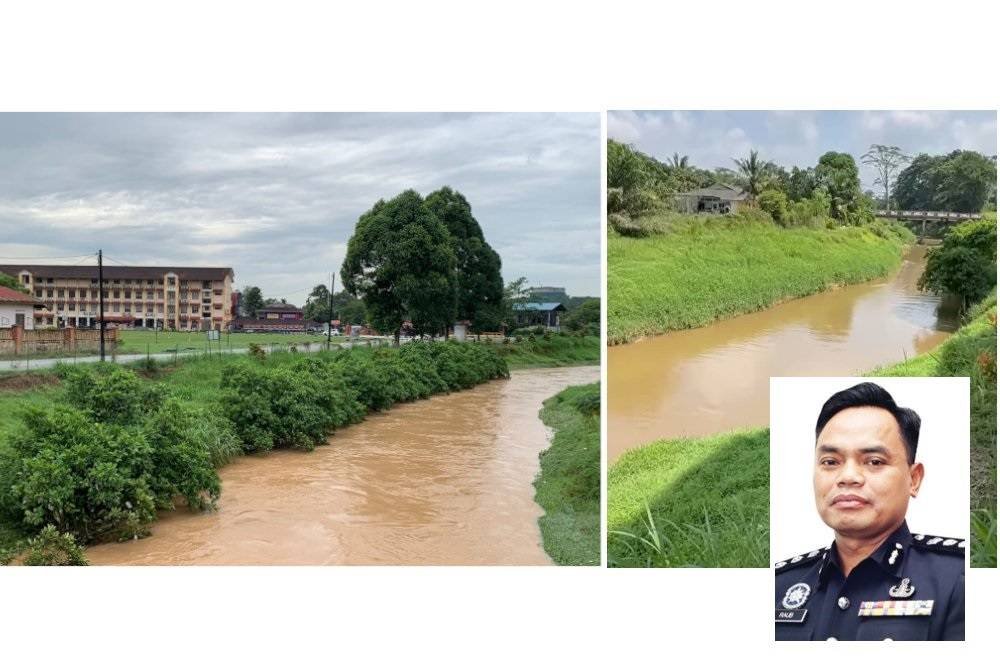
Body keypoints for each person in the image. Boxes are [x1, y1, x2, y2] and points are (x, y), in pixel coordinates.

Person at [774, 382, 964, 641]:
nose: (848, 477)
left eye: (874, 462)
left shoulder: (960, 579)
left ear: (914, 479)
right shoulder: (779, 584)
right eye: (830, 462)